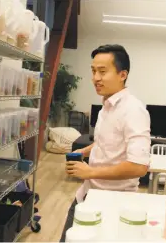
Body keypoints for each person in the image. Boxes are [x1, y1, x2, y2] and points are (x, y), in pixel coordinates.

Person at [59, 44, 151, 242]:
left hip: (113, 201)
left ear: (122, 74)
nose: (96, 78)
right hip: (87, 194)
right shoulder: (106, 107)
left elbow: (139, 166)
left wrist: (90, 171)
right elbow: (107, 141)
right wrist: (86, 151)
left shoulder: (133, 111)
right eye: (93, 71)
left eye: (102, 71)